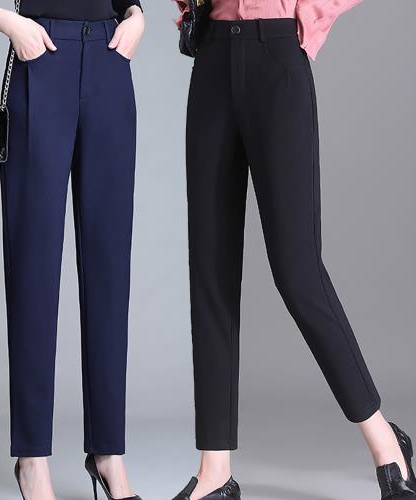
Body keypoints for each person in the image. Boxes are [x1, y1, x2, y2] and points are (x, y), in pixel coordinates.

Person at [171, 1, 415, 499]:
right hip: (212, 61)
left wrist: (308, 13)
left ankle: (386, 443)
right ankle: (215, 470)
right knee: (210, 272)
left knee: (298, 271)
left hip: (277, 59)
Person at [0, 1, 145, 499]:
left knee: (111, 271)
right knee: (33, 269)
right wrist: (9, 23)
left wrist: (137, 14)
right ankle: (31, 459)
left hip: (111, 59)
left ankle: (109, 453)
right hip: (41, 56)